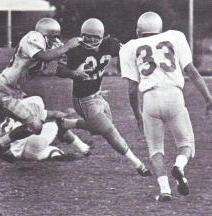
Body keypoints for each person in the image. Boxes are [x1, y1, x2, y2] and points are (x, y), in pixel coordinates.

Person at [0, 17, 81, 166]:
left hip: (8, 90)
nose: (56, 41)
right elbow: (44, 56)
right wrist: (67, 46)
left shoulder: (45, 43)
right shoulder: (34, 37)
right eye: (54, 36)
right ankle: (0, 144)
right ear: (45, 33)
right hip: (4, 91)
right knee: (35, 125)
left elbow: (58, 61)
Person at [119, 12, 212, 201]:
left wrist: (137, 114)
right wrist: (209, 98)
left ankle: (164, 191)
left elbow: (131, 89)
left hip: (150, 98)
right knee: (186, 145)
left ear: (139, 31)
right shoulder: (175, 36)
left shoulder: (130, 47)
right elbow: (192, 72)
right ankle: (179, 166)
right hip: (174, 95)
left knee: (155, 148)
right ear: (159, 28)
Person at [56, 18, 152, 177]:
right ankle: (138, 164)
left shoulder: (110, 44)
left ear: (103, 37)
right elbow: (59, 71)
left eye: (95, 37)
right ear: (81, 35)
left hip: (97, 95)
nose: (91, 40)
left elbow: (128, 51)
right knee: (109, 130)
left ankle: (66, 124)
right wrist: (73, 73)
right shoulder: (74, 49)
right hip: (82, 99)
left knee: (100, 127)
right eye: (87, 36)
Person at [0, 96, 90, 164]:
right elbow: (57, 115)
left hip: (17, 154)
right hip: (30, 141)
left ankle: (55, 154)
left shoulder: (5, 111)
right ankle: (83, 147)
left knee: (49, 151)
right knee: (58, 124)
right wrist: (72, 111)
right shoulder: (29, 106)